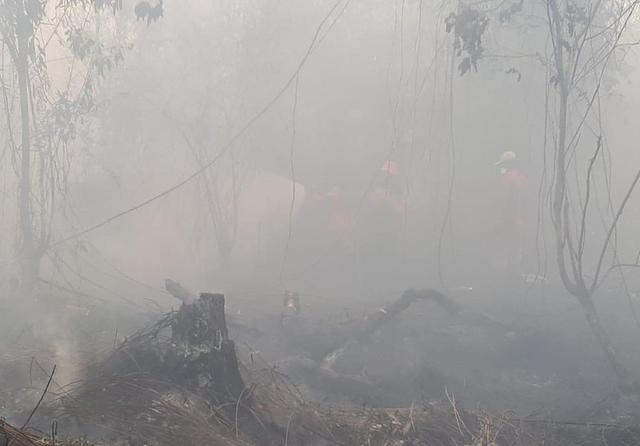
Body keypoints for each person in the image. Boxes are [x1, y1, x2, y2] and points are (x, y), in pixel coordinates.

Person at [495, 151, 529, 275]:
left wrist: (499, 218)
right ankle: (516, 271)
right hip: (521, 219)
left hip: (508, 218)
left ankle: (507, 274)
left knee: (506, 244)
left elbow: (504, 199)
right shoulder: (522, 178)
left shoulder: (507, 178)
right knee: (517, 246)